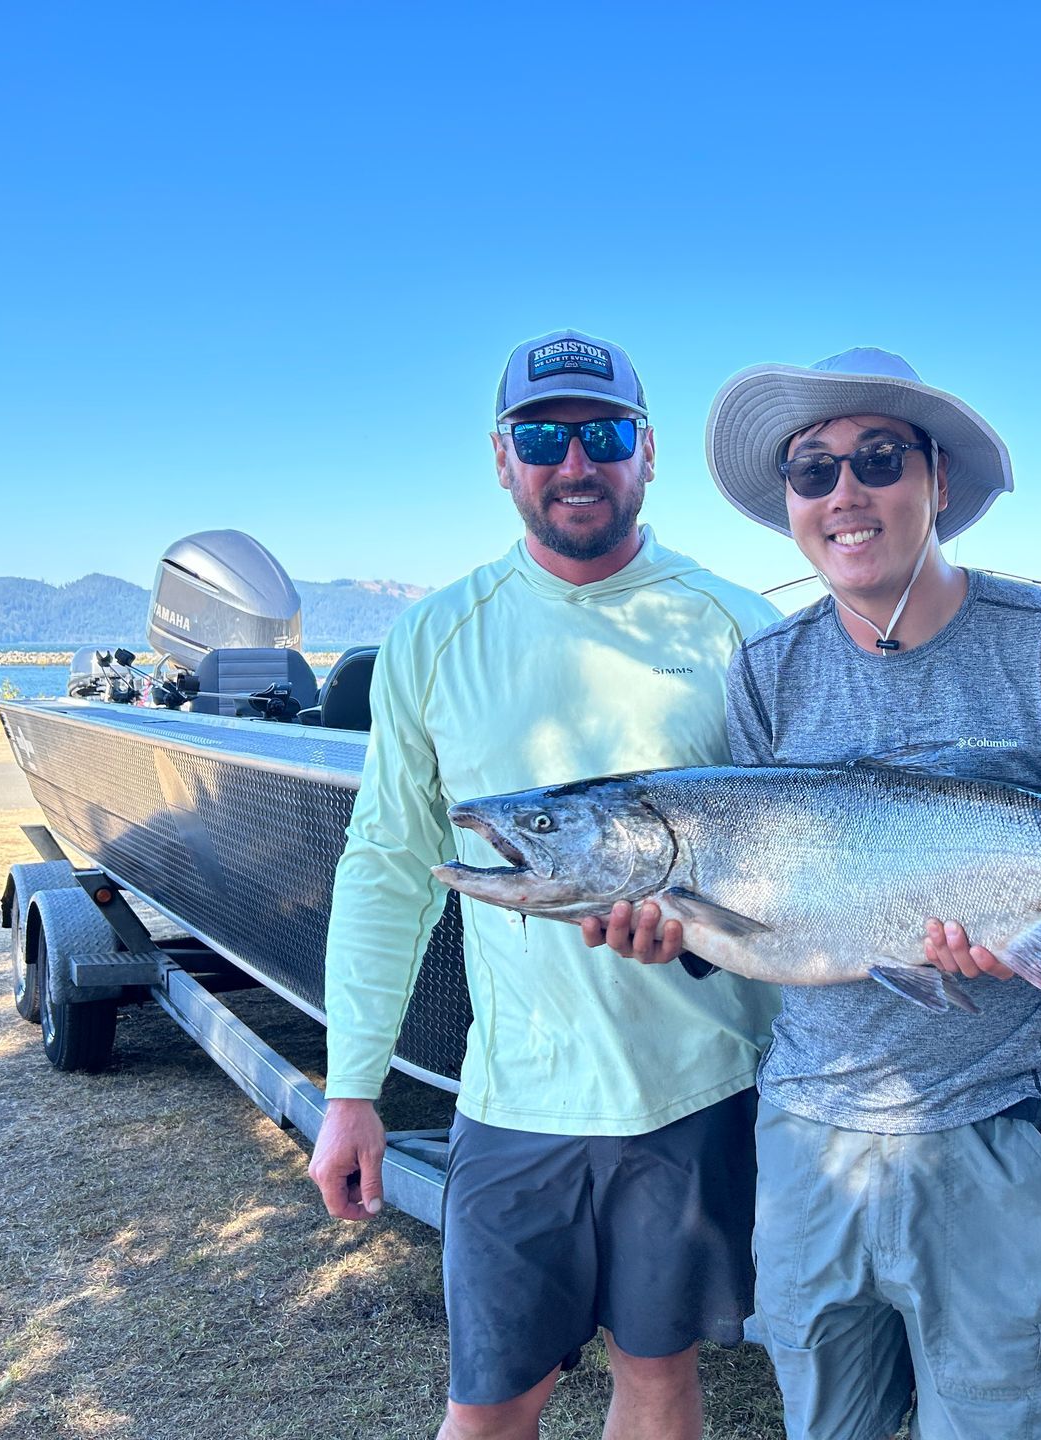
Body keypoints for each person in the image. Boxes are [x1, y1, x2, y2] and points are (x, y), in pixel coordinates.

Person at [592, 348, 1041, 1439]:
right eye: (813, 471)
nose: (844, 491)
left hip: (999, 1122)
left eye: (878, 458)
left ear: (938, 481)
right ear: (793, 506)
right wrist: (676, 934)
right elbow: (764, 908)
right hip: (810, 1132)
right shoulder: (766, 670)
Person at [306, 329, 782, 1440]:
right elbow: (388, 868)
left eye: (605, 433)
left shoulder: (739, 630)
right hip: (515, 1098)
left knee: (659, 1378)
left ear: (648, 453)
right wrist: (351, 1088)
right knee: (487, 1404)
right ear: (502, 456)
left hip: (699, 1086)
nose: (577, 462)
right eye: (543, 436)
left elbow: (796, 859)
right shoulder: (432, 636)